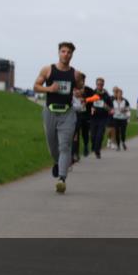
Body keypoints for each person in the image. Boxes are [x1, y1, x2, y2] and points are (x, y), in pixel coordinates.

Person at [34, 42, 84, 194]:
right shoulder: (48, 70)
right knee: (52, 146)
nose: (66, 54)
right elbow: (36, 86)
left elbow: (81, 87)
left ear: (72, 55)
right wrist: (49, 88)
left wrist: (78, 92)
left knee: (64, 146)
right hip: (50, 112)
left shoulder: (75, 74)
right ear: (58, 53)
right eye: (63, 51)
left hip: (67, 114)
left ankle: (62, 179)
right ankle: (58, 162)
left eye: (69, 52)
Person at [86, 77, 113, 159]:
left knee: (100, 135)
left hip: (103, 118)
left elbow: (111, 109)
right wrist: (91, 108)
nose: (100, 86)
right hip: (93, 117)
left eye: (101, 84)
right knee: (93, 135)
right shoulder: (92, 93)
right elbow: (87, 103)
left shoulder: (106, 95)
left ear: (103, 85)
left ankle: (97, 151)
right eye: (98, 84)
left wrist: (106, 107)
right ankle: (94, 147)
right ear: (96, 84)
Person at [111, 87, 130, 151]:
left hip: (123, 118)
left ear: (122, 94)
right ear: (116, 94)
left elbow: (128, 109)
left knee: (123, 132)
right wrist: (112, 111)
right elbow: (111, 109)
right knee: (117, 132)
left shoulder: (125, 101)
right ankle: (118, 145)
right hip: (115, 118)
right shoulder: (113, 101)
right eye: (118, 93)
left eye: (120, 93)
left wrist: (124, 109)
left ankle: (123, 142)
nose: (119, 95)